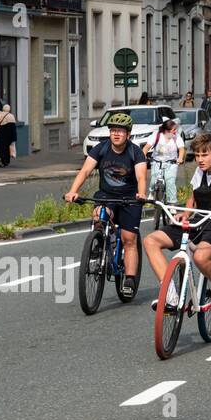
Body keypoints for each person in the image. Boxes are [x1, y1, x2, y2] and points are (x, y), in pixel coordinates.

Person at [144, 133, 211, 321]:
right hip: (200, 218)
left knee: (200, 257)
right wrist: (186, 214)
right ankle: (170, 295)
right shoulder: (200, 172)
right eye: (196, 155)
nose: (200, 160)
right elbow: (194, 196)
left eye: (204, 155)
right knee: (150, 241)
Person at [64, 111, 148, 297]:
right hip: (106, 196)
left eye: (120, 131)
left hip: (130, 200)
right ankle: (99, 243)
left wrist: (141, 193)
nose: (116, 134)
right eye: (113, 130)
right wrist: (73, 191)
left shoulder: (135, 152)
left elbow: (141, 176)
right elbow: (85, 171)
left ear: (128, 134)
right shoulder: (101, 149)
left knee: (129, 239)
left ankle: (129, 280)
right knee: (99, 215)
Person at [143, 117, 185, 203]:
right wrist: (142, 157)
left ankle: (172, 204)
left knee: (170, 183)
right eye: (173, 130)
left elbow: (181, 148)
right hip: (157, 162)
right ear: (166, 131)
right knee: (153, 181)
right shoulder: (157, 135)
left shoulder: (176, 137)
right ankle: (151, 192)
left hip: (171, 163)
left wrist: (180, 158)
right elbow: (146, 147)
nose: (175, 131)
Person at [0, 103, 17, 167]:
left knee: (0, 147)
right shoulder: (11, 116)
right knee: (6, 148)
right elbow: (13, 128)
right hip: (8, 136)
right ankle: (5, 161)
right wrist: (14, 137)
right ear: (9, 109)